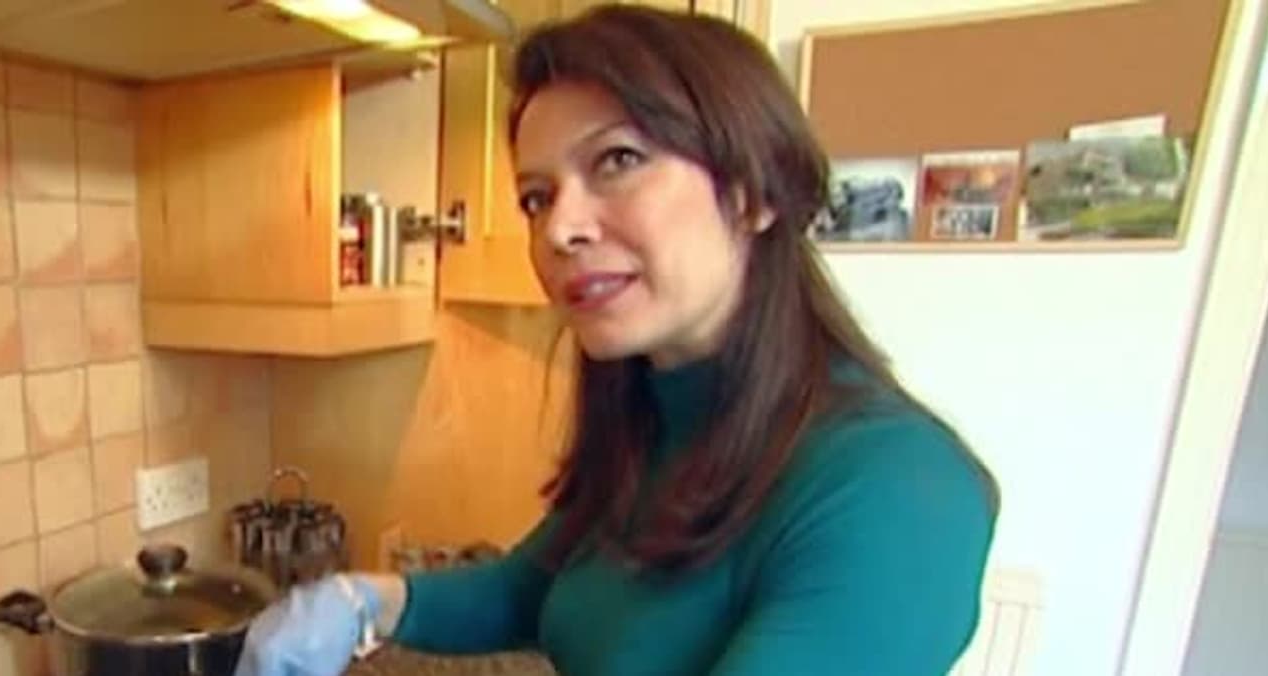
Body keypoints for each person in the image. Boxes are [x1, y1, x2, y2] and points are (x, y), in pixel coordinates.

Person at [236, 6, 998, 676]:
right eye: (537, 197)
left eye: (618, 161)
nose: (559, 229)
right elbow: (535, 588)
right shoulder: (650, 416)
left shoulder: (897, 487)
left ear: (754, 191)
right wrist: (366, 601)